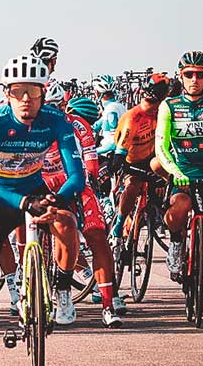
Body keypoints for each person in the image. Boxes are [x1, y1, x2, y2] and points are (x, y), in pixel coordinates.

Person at [0, 54, 85, 366]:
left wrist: (56, 199)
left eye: (33, 90)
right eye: (17, 91)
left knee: (66, 222)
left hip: (36, 191)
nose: (26, 98)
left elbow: (77, 176)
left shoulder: (56, 121)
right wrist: (23, 202)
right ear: (6, 93)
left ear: (44, 90)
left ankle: (62, 288)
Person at [54, 95, 121, 327]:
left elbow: (90, 164)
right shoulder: (27, 126)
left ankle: (108, 303)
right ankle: (27, 286)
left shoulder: (77, 125)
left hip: (76, 183)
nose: (54, 110)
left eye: (58, 106)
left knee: (97, 236)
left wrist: (92, 181)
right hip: (41, 184)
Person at [110, 74, 171, 282]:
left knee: (165, 186)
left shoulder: (161, 113)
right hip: (131, 161)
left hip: (154, 160)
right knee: (133, 185)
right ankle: (119, 225)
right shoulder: (133, 117)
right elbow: (121, 148)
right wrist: (118, 164)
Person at [155, 51, 203, 280]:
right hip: (183, 174)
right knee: (177, 210)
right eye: (189, 75)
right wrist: (175, 172)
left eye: (200, 75)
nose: (194, 80)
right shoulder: (169, 106)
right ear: (181, 77)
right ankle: (176, 244)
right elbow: (161, 146)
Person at [92, 75, 126, 157]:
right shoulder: (119, 106)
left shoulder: (111, 110)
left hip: (108, 155)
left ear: (97, 92)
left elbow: (114, 142)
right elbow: (96, 126)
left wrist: (93, 152)